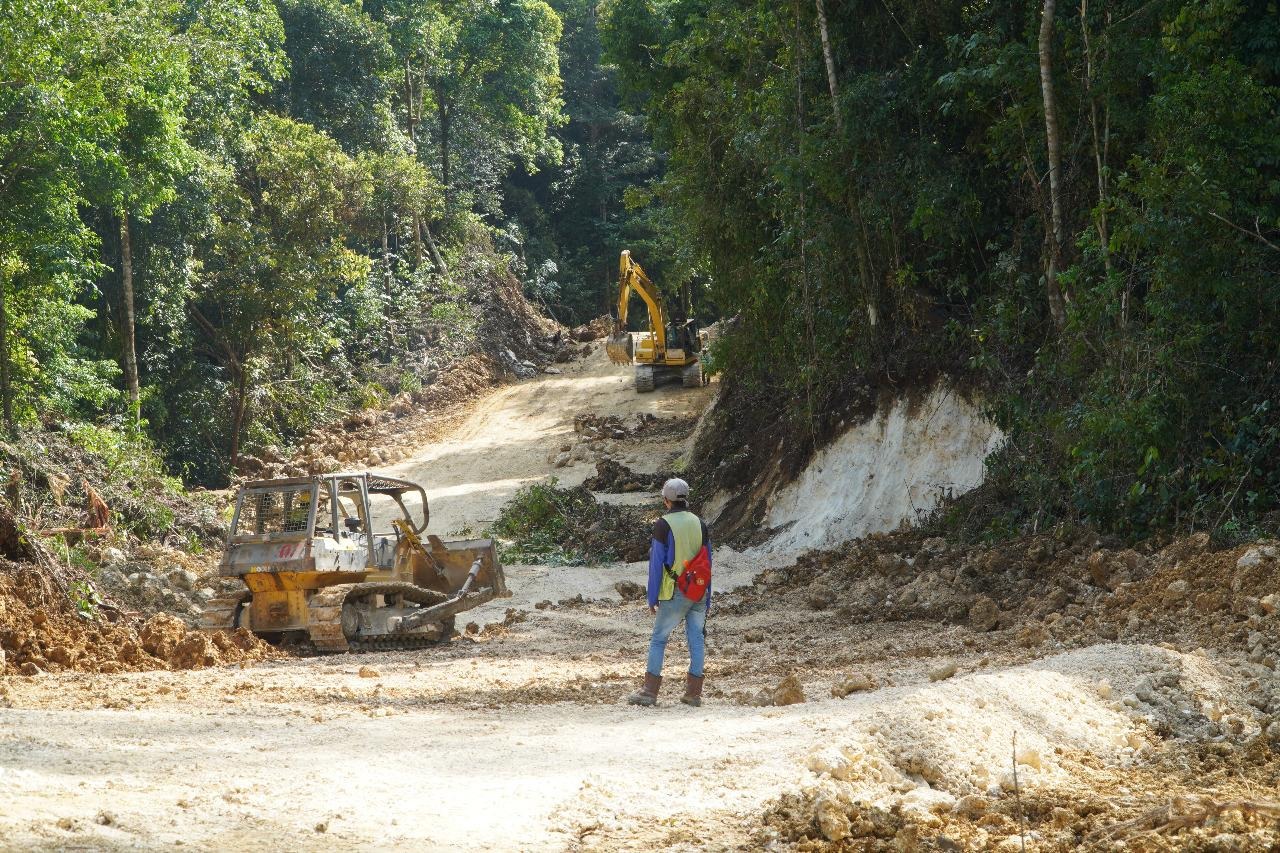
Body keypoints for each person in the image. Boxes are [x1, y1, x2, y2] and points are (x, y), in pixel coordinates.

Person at [627, 477, 712, 707]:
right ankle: (693, 694)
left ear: (666, 500)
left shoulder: (663, 525)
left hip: (675, 592)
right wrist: (708, 596)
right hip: (699, 591)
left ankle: (649, 692)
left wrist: (652, 597)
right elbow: (707, 561)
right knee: (696, 639)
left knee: (658, 640)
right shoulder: (700, 523)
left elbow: (656, 564)